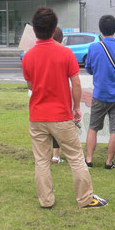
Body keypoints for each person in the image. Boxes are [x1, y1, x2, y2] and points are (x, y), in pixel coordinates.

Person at [22, 7, 108, 209]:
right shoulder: (65, 53)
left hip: (37, 116)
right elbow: (76, 84)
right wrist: (76, 107)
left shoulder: (28, 56)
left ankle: (46, 200)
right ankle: (85, 199)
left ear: (34, 30)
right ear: (54, 30)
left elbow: (30, 85)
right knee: (76, 158)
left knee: (41, 161)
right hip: (61, 115)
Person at [85, 15, 115, 169]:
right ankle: (109, 162)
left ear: (100, 30)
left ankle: (89, 159)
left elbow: (89, 68)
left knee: (93, 128)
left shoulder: (93, 47)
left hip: (99, 95)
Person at [50, 27, 65, 164]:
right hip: (58, 97)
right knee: (57, 128)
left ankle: (47, 156)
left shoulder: (39, 52)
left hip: (42, 98)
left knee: (43, 129)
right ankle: (55, 155)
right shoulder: (64, 53)